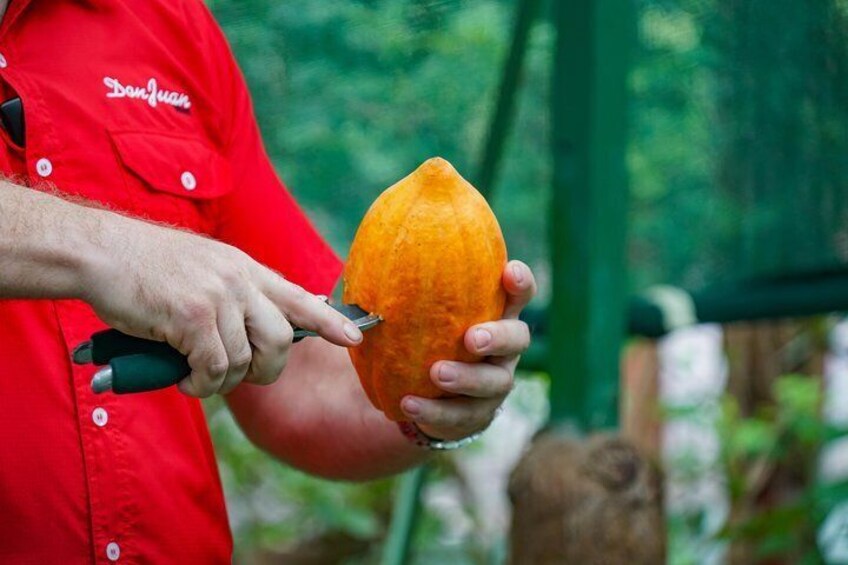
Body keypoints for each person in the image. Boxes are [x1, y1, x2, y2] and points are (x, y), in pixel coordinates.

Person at [0, 0, 535, 562]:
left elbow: (302, 381)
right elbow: (118, 253)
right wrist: (109, 249)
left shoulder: (166, 22)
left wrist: (434, 399)